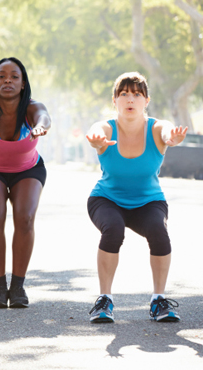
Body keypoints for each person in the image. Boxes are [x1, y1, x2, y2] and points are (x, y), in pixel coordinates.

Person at [85, 72, 186, 323]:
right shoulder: (107, 129)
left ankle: (158, 300)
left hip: (149, 201)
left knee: (158, 231)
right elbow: (96, 129)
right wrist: (95, 137)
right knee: (113, 229)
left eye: (137, 94)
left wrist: (171, 137)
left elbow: (166, 131)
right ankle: (104, 300)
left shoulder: (156, 128)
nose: (130, 99)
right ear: (115, 100)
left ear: (146, 101)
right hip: (106, 199)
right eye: (124, 94)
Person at [0, 57, 50, 309]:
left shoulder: (32, 108)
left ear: (23, 83)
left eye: (14, 76)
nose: (7, 81)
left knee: (24, 218)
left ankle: (17, 286)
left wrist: (40, 127)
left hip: (28, 169)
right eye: (1, 76)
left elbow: (44, 117)